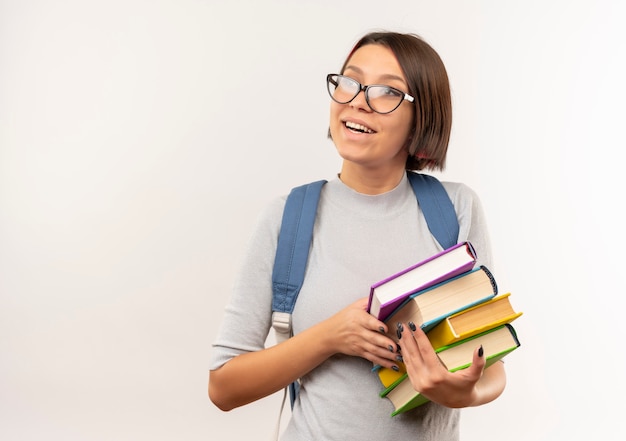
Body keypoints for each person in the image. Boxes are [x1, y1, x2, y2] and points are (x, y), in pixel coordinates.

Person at [208, 31, 506, 440]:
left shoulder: (455, 211)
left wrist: (462, 391)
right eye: (349, 81)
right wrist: (330, 336)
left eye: (387, 92)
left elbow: (492, 365)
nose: (359, 100)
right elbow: (223, 386)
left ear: (423, 117)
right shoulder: (288, 218)